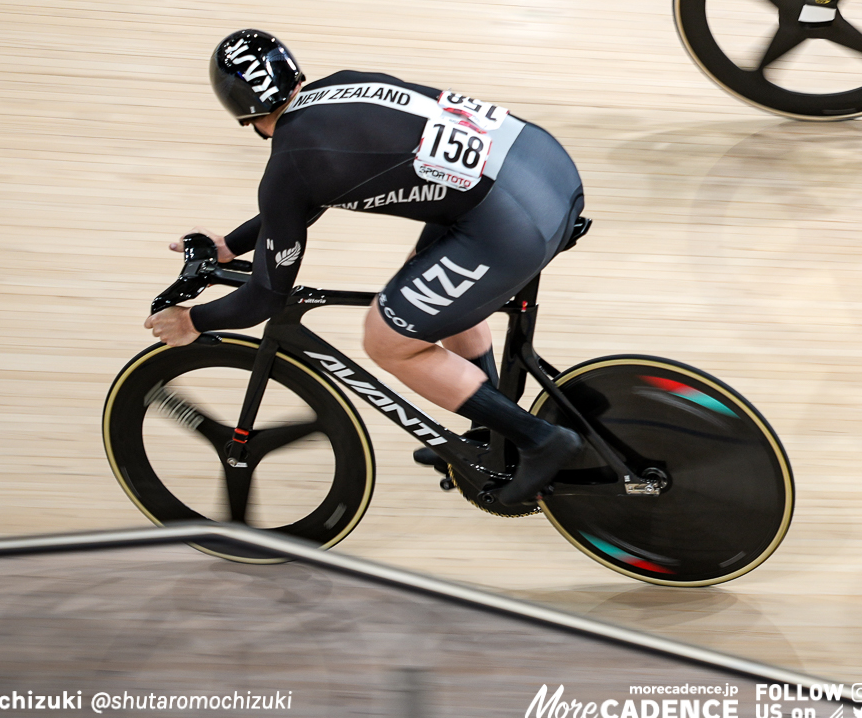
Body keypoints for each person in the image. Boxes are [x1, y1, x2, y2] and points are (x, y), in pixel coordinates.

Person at [142, 29, 584, 505]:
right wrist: (231, 244)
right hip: (544, 165)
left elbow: (265, 297)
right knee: (430, 280)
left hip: (509, 221)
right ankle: (488, 431)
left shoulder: (289, 165)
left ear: (241, 114)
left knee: (387, 337)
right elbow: (307, 200)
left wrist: (192, 320)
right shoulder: (340, 85)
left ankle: (540, 440)